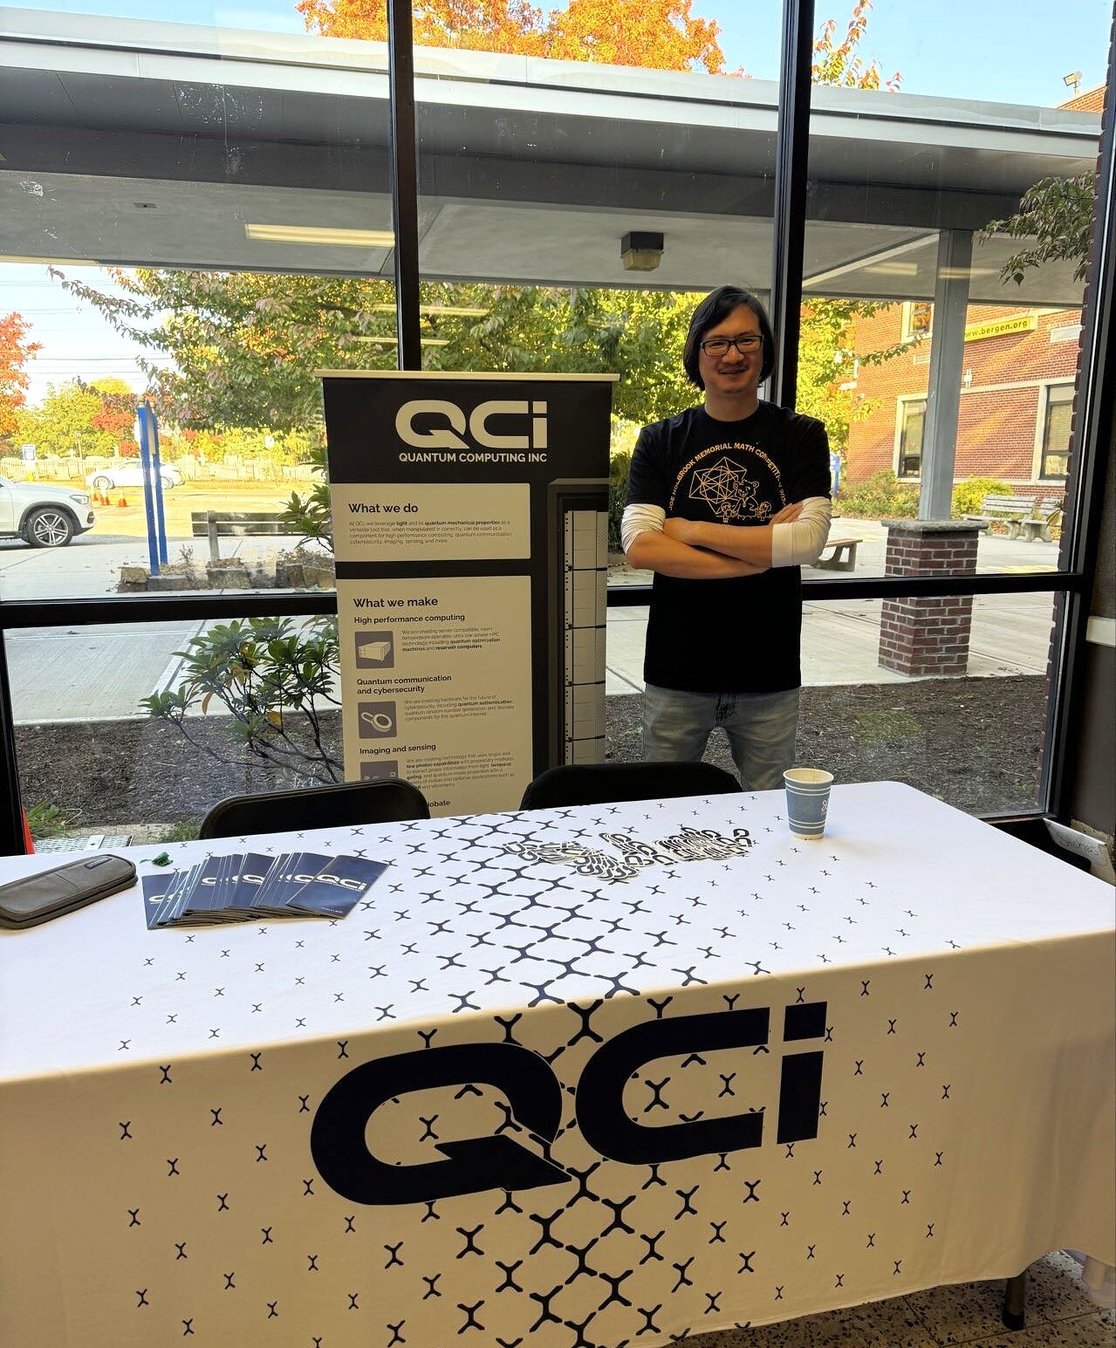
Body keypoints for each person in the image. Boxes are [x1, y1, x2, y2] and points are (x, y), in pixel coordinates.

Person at [621, 284, 832, 790]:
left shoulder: (803, 435)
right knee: (661, 807)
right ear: (697, 353)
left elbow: (806, 543)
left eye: (746, 341)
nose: (732, 355)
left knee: (768, 815)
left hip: (769, 670)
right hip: (677, 669)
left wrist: (690, 530)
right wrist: (759, 555)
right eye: (717, 342)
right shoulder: (660, 439)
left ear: (765, 351)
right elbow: (639, 545)